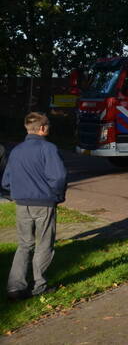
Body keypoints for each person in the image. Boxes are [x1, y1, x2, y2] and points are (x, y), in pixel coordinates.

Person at [2, 112, 67, 300]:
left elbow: (6, 180)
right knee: (44, 244)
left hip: (22, 204)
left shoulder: (16, 151)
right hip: (44, 203)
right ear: (42, 128)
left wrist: (18, 191)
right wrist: (56, 196)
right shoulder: (49, 149)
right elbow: (59, 176)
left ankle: (15, 287)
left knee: (24, 245)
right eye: (48, 126)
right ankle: (39, 285)